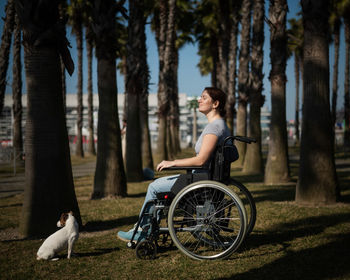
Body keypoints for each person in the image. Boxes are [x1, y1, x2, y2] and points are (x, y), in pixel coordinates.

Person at [117, 87, 231, 242]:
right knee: (157, 185)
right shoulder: (221, 126)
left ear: (215, 103)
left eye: (204, 97)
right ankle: (147, 227)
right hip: (205, 178)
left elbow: (201, 160)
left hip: (200, 180)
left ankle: (143, 231)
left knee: (154, 187)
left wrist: (172, 163)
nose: (199, 100)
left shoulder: (214, 127)